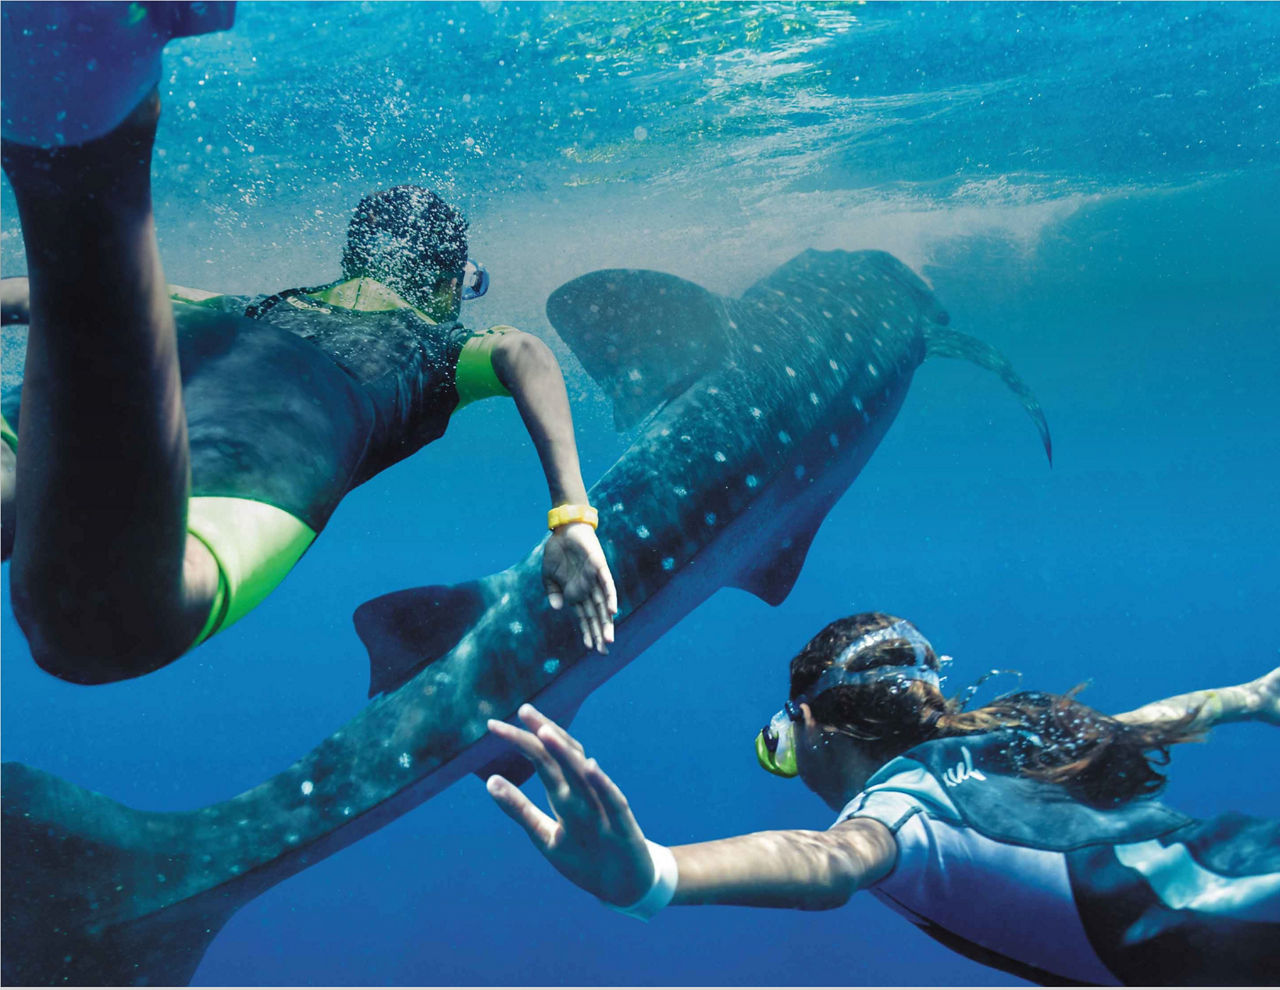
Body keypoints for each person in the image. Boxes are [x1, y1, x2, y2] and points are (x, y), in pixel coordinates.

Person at [0, 2, 616, 685]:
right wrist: (572, 518)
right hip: (246, 464)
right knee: (96, 630)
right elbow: (522, 352)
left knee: (81, 331)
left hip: (120, 396)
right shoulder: (438, 347)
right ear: (447, 283)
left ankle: (76, 112)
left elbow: (26, 295)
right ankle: (88, 125)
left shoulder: (255, 305)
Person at [485, 612, 1280, 986]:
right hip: (1242, 866)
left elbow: (826, 860)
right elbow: (1148, 722)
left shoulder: (901, 804)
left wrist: (655, 874)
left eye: (779, 742)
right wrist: (1251, 697)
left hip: (1230, 929)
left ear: (808, 726)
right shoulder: (1005, 732)